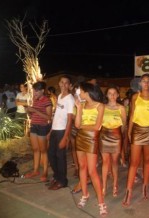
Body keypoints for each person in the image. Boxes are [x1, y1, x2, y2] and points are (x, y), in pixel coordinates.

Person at [123, 73, 149, 206]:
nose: (145, 83)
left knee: (147, 161)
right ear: (140, 83)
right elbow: (132, 114)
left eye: (148, 81)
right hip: (137, 130)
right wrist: (129, 132)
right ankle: (128, 191)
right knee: (134, 162)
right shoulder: (135, 97)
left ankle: (145, 185)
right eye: (143, 81)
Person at [74, 82, 107, 215]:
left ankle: (101, 202)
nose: (79, 93)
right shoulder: (81, 105)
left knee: (92, 171)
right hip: (80, 138)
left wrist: (83, 126)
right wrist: (79, 108)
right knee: (82, 167)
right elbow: (77, 124)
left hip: (92, 138)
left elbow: (97, 126)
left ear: (86, 92)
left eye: (80, 91)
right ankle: (85, 194)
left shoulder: (100, 106)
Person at [47, 75, 74, 190]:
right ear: (59, 84)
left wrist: (65, 137)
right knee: (51, 155)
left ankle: (62, 181)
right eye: (61, 82)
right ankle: (57, 176)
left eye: (66, 82)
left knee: (60, 157)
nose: (63, 84)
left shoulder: (70, 99)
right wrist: (51, 130)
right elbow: (57, 115)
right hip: (55, 130)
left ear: (69, 85)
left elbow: (69, 120)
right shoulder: (59, 96)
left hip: (62, 131)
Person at [100, 85, 126, 197]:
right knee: (105, 162)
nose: (112, 95)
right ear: (106, 95)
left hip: (116, 136)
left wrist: (119, 135)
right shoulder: (102, 107)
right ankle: (104, 186)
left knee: (115, 162)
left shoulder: (121, 108)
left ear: (118, 95)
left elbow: (124, 125)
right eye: (110, 93)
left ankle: (115, 185)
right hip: (104, 136)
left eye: (114, 93)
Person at [25, 81, 52, 181]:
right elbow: (33, 115)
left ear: (42, 90)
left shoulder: (47, 101)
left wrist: (35, 111)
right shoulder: (35, 100)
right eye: (34, 91)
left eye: (36, 91)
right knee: (35, 150)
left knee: (43, 151)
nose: (34, 93)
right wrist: (29, 112)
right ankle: (35, 170)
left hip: (42, 127)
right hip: (34, 126)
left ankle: (45, 171)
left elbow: (49, 117)